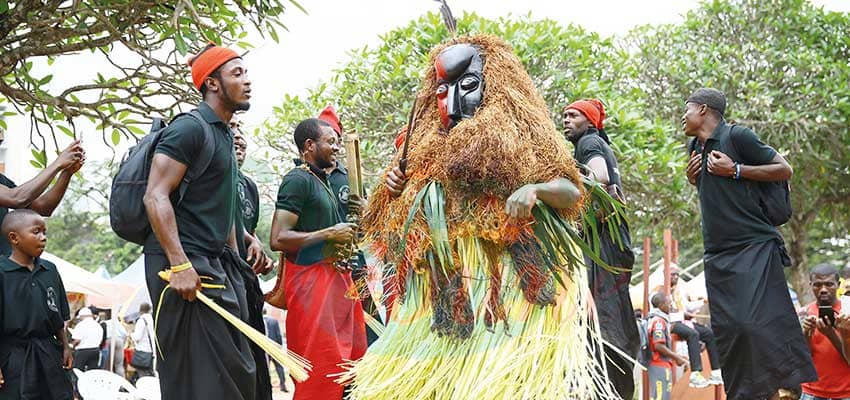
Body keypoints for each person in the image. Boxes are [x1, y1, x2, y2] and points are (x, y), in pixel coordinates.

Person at [348, 36, 620, 399]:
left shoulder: (523, 138)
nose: (454, 101)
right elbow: (390, 226)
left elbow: (571, 191)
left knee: (500, 384)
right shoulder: (422, 147)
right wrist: (394, 188)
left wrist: (535, 190)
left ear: (495, 85)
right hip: (443, 296)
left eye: (469, 86)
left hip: (506, 292)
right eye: (443, 90)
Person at [142, 43, 260, 400]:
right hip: (179, 266)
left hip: (215, 264)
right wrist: (180, 265)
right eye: (237, 74)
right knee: (201, 380)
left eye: (246, 72)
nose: (248, 81)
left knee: (238, 374)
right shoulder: (189, 129)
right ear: (211, 83)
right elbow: (155, 195)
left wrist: (242, 247)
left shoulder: (224, 133)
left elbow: (220, 207)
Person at [683, 87, 816, 399]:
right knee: (731, 332)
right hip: (717, 253)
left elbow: (785, 169)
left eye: (686, 109)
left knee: (755, 324)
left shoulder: (738, 136)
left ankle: (785, 386)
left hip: (753, 245)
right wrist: (694, 179)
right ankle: (746, 394)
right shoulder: (694, 147)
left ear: (703, 110)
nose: (682, 116)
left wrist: (737, 170)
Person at [269, 117, 367, 399]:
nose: (336, 148)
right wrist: (329, 234)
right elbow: (278, 239)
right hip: (312, 283)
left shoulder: (330, 179)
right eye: (330, 142)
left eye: (338, 142)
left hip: (342, 281)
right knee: (322, 367)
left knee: (352, 362)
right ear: (309, 146)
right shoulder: (297, 180)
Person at [563, 98, 640, 398]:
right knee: (609, 308)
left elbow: (599, 177)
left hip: (602, 243)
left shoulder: (589, 142)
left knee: (598, 312)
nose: (567, 120)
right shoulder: (598, 143)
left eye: (573, 115)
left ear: (590, 120)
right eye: (565, 116)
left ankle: (600, 383)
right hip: (614, 242)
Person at [0, 209, 74, 400]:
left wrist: (65, 346)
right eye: (36, 232)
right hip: (13, 357)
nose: (43, 238)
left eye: (45, 232)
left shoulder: (49, 270)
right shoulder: (2, 273)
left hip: (49, 352)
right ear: (14, 238)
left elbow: (58, 316)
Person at [230, 114, 274, 400]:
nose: (238, 137)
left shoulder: (249, 187)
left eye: (240, 130)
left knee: (256, 358)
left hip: (247, 284)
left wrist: (260, 254)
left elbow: (250, 231)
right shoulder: (207, 178)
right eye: (231, 128)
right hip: (223, 280)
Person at [0, 137, 84, 256]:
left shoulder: (2, 180)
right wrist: (58, 163)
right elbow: (17, 198)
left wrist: (67, 172)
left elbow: (43, 207)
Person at [664, 265, 722, 387]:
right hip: (670, 323)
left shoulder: (678, 292)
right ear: (665, 275)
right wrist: (682, 315)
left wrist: (702, 302)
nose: (675, 277)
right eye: (672, 274)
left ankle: (716, 371)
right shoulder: (659, 292)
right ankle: (695, 373)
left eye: (677, 275)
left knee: (709, 333)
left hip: (684, 322)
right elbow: (660, 313)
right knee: (693, 334)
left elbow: (687, 307)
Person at [799, 263, 850, 400]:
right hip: (811, 392)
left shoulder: (848, 311)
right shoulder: (803, 313)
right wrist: (806, 334)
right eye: (817, 285)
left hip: (845, 393)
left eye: (829, 284)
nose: (823, 289)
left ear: (838, 284)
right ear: (811, 285)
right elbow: (803, 359)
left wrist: (832, 334)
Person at [647, 292, 689, 400]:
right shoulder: (659, 321)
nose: (670, 306)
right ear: (661, 305)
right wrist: (677, 357)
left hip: (661, 364)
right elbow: (658, 345)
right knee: (661, 396)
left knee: (662, 395)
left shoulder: (660, 319)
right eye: (668, 303)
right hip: (659, 364)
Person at [262, 309, 288, 393]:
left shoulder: (260, 321)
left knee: (266, 368)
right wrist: (279, 346)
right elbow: (278, 334)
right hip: (274, 348)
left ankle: (267, 386)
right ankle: (283, 385)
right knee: (279, 367)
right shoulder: (273, 321)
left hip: (264, 348)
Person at [130, 303, 155, 378]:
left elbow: (137, 337)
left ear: (140, 311)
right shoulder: (152, 319)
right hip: (151, 351)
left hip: (142, 351)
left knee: (142, 374)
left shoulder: (141, 321)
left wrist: (131, 334)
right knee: (150, 374)